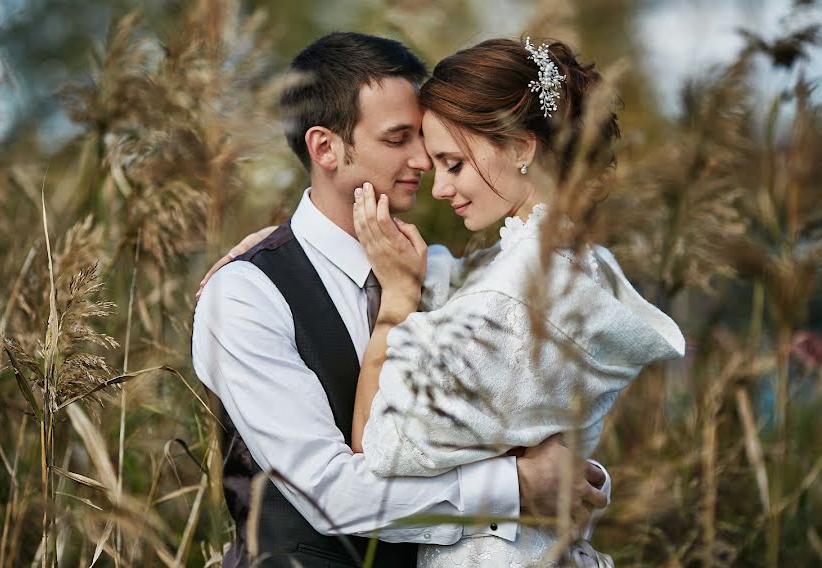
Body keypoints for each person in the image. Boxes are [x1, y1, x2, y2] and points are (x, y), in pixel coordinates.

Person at [192, 32, 608, 568]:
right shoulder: (247, 294)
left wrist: (577, 478)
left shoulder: (444, 273)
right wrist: (517, 488)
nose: (424, 159)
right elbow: (330, 494)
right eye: (398, 139)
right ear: (325, 148)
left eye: (423, 137)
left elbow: (534, 411)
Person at [347, 37, 686, 567]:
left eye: (453, 163)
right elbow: (452, 280)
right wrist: (283, 246)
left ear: (522, 147)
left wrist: (395, 300)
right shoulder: (568, 262)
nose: (439, 187)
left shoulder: (513, 299)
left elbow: (381, 445)